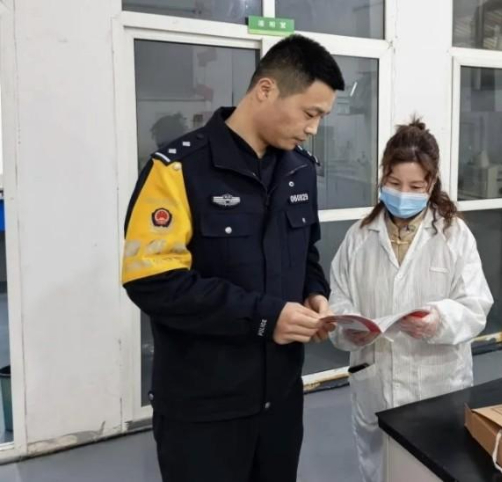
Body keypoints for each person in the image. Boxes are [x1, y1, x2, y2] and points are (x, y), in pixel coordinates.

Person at [121, 34, 344, 482]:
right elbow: (153, 282)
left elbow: (306, 253)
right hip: (203, 410)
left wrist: (314, 293)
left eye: (322, 117)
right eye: (310, 113)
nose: (313, 129)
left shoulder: (299, 169)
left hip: (280, 402)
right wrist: (265, 317)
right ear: (266, 89)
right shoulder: (178, 169)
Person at [329, 119, 494, 482]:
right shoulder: (359, 237)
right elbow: (338, 299)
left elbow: (476, 306)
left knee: (435, 467)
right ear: (382, 178)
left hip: (438, 380)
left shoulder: (453, 236)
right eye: (394, 183)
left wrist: (439, 320)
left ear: (431, 185)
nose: (403, 194)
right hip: (376, 382)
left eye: (415, 186)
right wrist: (348, 328)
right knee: (381, 468)